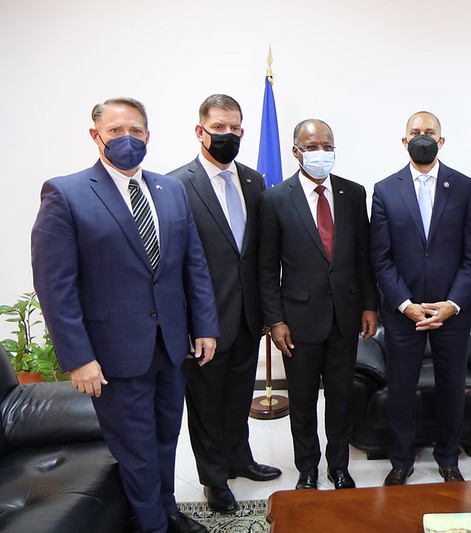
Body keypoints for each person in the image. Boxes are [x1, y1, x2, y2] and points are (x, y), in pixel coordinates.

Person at [31, 97, 219, 533]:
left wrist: (205, 325)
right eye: (116, 131)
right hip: (112, 354)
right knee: (135, 446)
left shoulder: (170, 190)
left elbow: (194, 264)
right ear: (96, 136)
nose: (127, 139)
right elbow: (55, 285)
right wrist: (78, 357)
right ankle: (151, 524)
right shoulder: (66, 192)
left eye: (135, 131)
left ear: (148, 135)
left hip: (172, 346)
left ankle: (167, 511)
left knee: (166, 437)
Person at [168, 94, 281, 514]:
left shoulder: (254, 180)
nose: (228, 135)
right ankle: (214, 479)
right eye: (219, 128)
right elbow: (173, 263)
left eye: (235, 128)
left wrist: (270, 314)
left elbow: (260, 255)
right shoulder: (175, 185)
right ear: (200, 131)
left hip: (248, 316)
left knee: (238, 396)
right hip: (205, 323)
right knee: (206, 405)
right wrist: (195, 323)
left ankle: (241, 459)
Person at [258, 119, 378, 490]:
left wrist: (370, 306)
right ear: (296, 151)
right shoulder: (275, 199)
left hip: (345, 316)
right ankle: (307, 468)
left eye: (328, 145)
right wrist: (275, 319)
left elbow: (363, 256)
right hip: (298, 320)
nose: (321, 153)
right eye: (313, 146)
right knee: (304, 399)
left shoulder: (353, 194)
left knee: (341, 398)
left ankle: (339, 466)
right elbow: (265, 267)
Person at [370, 111, 471, 486]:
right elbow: (381, 258)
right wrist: (405, 304)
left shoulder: (465, 187)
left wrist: (452, 304)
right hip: (404, 312)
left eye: (429, 132)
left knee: (453, 388)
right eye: (415, 133)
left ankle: (448, 458)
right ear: (404, 141)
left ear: (442, 140)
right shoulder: (385, 189)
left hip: (452, 311)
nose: (422, 137)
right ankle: (401, 460)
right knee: (402, 389)